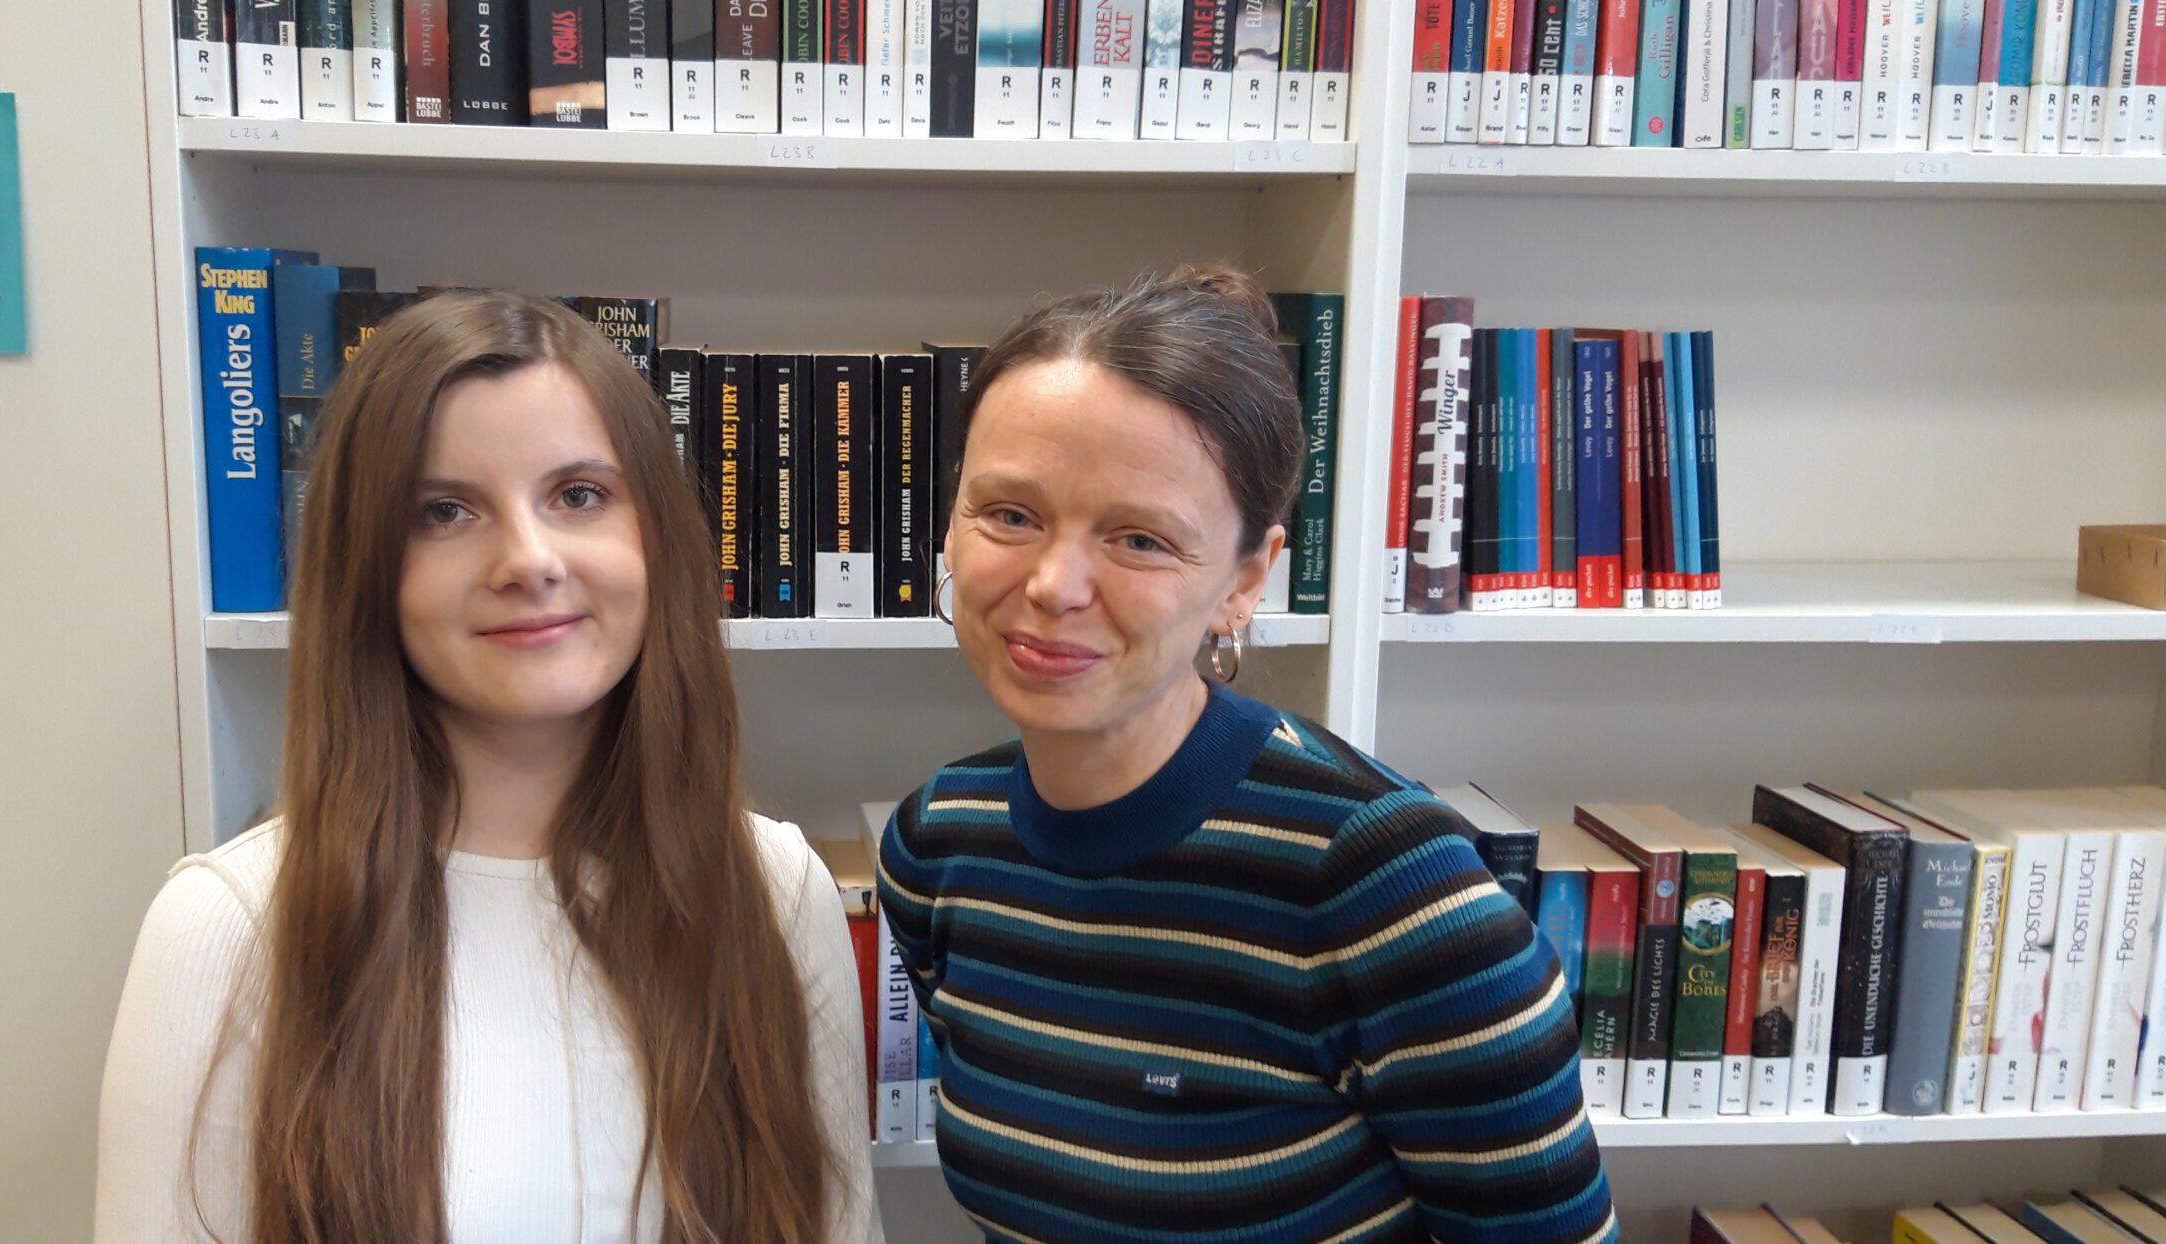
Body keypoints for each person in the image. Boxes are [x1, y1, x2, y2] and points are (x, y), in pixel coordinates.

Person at [95, 291, 881, 1243]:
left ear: (657, 539)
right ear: (366, 572)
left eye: (578, 495)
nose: (528, 559)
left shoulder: (777, 890)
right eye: (444, 512)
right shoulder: (226, 927)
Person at [878, 268, 1618, 1243]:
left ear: (1244, 581)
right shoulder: (937, 845)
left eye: (1139, 538)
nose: (1054, 584)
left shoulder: (1391, 891)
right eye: (1010, 514)